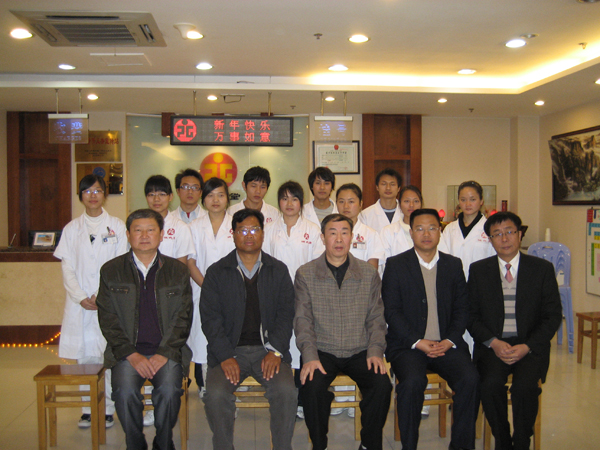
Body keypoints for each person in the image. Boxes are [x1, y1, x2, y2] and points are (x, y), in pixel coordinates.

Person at [382, 208, 480, 450]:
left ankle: (461, 446)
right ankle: (409, 446)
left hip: (447, 344)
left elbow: (462, 309)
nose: (426, 234)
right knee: (412, 382)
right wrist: (418, 341)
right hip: (409, 347)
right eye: (419, 229)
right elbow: (391, 311)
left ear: (440, 231)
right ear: (411, 233)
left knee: (470, 379)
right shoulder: (396, 265)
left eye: (432, 228)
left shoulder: (453, 265)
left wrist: (450, 340)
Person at [96, 208, 193, 450]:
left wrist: (164, 353)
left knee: (169, 391)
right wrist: (131, 354)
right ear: (128, 235)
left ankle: (163, 443)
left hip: (166, 352)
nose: (145, 236)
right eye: (138, 230)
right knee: (124, 392)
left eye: (151, 230)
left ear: (161, 234)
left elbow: (183, 318)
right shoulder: (111, 270)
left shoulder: (177, 270)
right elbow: (108, 319)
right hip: (128, 353)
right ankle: (135, 444)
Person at [201, 209, 297, 450]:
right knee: (215, 395)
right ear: (233, 234)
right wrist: (225, 355)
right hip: (229, 352)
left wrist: (275, 351)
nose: (249, 235)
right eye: (242, 230)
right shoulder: (217, 272)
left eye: (254, 229)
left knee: (286, 391)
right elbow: (210, 320)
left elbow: (287, 314)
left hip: (268, 351)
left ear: (263, 234)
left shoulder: (278, 270)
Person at [294, 213, 392, 450]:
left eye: (344, 233)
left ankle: (369, 444)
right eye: (332, 233)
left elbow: (376, 318)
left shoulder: (368, 273)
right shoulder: (306, 273)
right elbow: (302, 320)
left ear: (352, 237)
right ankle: (319, 445)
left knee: (381, 385)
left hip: (360, 350)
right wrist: (309, 356)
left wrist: (375, 351)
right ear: (322, 238)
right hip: (322, 351)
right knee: (311, 388)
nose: (339, 239)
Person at [468, 211, 562, 450]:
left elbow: (552, 316)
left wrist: (527, 346)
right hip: (494, 346)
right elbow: (471, 315)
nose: (504, 238)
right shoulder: (479, 270)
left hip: (530, 346)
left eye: (509, 232)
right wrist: (493, 342)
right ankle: (502, 439)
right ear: (490, 240)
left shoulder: (542, 269)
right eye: (497, 234)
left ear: (520, 235)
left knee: (525, 387)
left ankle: (522, 440)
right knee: (490, 384)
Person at [54, 174, 127, 429]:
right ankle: (88, 409)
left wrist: (100, 294)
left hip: (108, 302)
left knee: (107, 356)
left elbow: (119, 264)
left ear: (105, 195)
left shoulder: (116, 226)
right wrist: (80, 296)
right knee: (84, 358)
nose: (93, 195)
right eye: (87, 191)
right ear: (81, 196)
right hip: (80, 304)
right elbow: (67, 267)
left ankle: (107, 409)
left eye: (97, 190)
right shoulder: (71, 229)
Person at [143, 174, 195, 426]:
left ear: (170, 197)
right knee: (146, 345)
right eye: (151, 194)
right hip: (145, 298)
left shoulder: (180, 227)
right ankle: (149, 401)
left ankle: (164, 401)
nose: (157, 198)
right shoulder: (140, 223)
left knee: (168, 345)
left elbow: (182, 266)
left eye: (161, 194)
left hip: (171, 299)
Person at [187, 177, 235, 399]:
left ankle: (231, 390)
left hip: (234, 293)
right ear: (203, 199)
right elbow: (190, 262)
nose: (215, 200)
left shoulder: (237, 223)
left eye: (221, 195)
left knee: (230, 340)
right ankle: (207, 387)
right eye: (210, 195)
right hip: (202, 291)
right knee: (203, 340)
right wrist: (209, 288)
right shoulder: (193, 227)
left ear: (227, 198)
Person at [440, 180, 495, 279]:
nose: (468, 204)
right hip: (454, 283)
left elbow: (494, 260)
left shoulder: (490, 228)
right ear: (458, 201)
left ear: (481, 201)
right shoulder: (449, 229)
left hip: (481, 282)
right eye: (463, 200)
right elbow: (443, 259)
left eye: (472, 199)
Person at [336, 183, 385, 270]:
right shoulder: (329, 232)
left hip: (362, 278)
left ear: (360, 204)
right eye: (341, 201)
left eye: (351, 202)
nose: (346, 206)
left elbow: (372, 270)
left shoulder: (371, 234)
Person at [380, 185, 423, 259]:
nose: (411, 205)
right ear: (399, 204)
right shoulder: (388, 231)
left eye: (416, 201)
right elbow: (384, 261)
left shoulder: (431, 230)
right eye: (407, 201)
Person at [360, 168, 403, 232]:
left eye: (392, 184)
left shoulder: (405, 213)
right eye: (384, 184)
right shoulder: (365, 215)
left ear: (398, 188)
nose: (388, 188)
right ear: (377, 187)